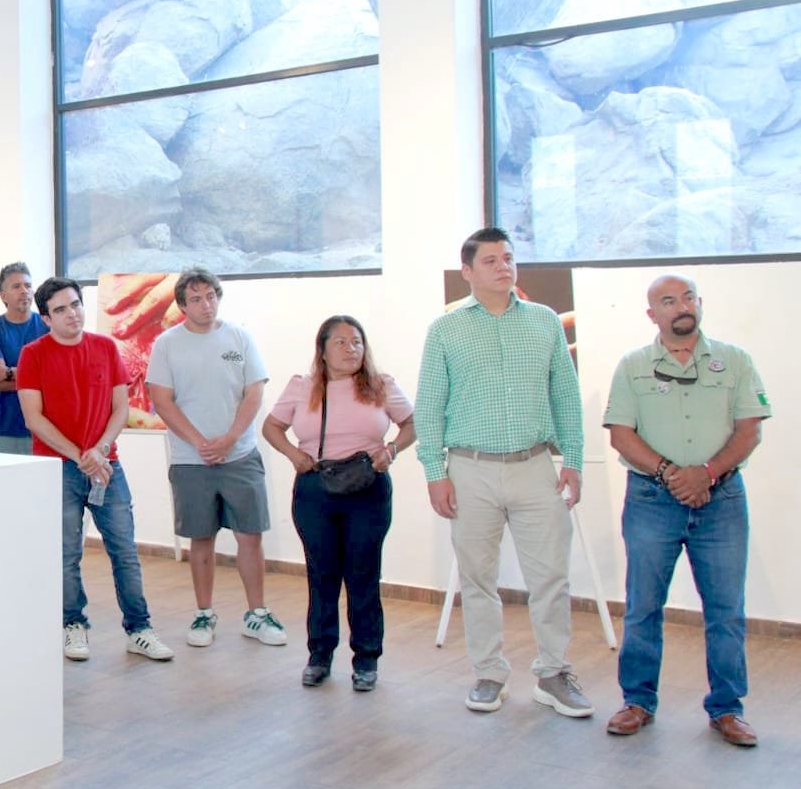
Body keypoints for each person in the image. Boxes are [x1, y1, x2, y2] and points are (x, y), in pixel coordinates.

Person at [414, 226, 588, 717]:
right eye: (490, 260)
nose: (503, 267)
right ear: (467, 271)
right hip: (470, 469)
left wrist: (573, 459)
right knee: (477, 578)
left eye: (508, 258)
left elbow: (565, 395)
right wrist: (435, 471)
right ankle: (489, 674)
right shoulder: (445, 329)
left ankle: (553, 673)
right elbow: (430, 405)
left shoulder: (544, 321)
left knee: (551, 575)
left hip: (534, 466)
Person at [601, 276, 770, 747]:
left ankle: (727, 708)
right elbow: (621, 434)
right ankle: (637, 701)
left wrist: (707, 474)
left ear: (700, 304)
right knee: (643, 606)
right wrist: (673, 474)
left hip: (722, 502)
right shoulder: (633, 366)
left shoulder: (735, 360)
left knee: (726, 610)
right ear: (652, 314)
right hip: (652, 501)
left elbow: (749, 430)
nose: (682, 306)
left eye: (689, 297)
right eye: (669, 300)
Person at [17, 277, 173, 663]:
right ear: (45, 318)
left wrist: (99, 451)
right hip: (58, 468)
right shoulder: (32, 356)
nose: (72, 314)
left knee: (124, 552)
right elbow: (34, 418)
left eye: (75, 304)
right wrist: (79, 455)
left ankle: (139, 629)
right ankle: (73, 624)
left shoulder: (105, 347)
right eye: (61, 309)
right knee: (66, 553)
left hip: (107, 466)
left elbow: (121, 408)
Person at [264, 315, 415, 690]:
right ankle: (319, 655)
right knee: (322, 574)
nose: (352, 349)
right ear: (323, 350)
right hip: (316, 487)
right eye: (342, 342)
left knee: (363, 574)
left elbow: (414, 422)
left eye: (357, 342)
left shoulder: (381, 385)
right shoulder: (302, 387)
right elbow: (271, 427)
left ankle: (366, 659)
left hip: (367, 487)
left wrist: (392, 450)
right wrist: (293, 455)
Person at [145, 268, 286, 651]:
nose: (206, 305)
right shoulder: (167, 345)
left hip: (240, 455)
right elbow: (162, 400)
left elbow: (253, 393)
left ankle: (257, 613)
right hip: (191, 460)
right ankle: (204, 613)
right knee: (201, 538)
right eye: (196, 299)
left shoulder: (240, 337)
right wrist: (201, 443)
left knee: (250, 536)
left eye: (211, 296)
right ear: (182, 306)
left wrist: (230, 439)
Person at [0, 262, 48, 455]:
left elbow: (55, 378)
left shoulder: (47, 325)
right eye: (16, 286)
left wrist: (8, 372)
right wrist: (40, 379)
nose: (24, 291)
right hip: (4, 429)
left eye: (28, 285)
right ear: (3, 296)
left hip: (46, 428)